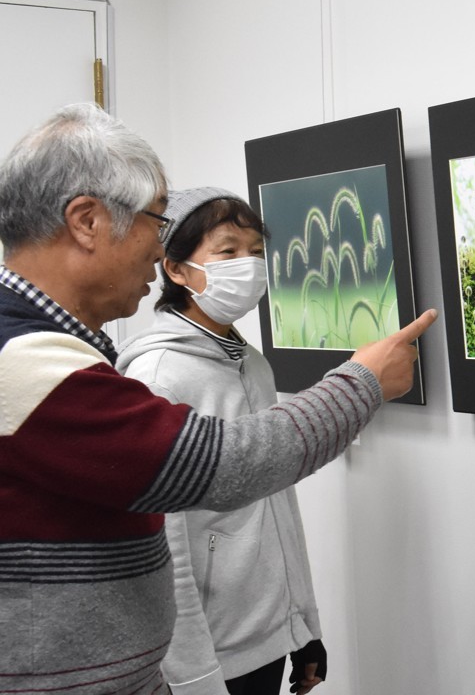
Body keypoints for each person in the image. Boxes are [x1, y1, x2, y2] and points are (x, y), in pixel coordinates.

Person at [0, 104, 436, 695]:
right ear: (87, 221)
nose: (157, 247)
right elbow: (221, 466)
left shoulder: (71, 353)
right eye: (155, 219)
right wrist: (362, 382)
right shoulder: (26, 361)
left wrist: (299, 624)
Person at [117, 189, 325, 695]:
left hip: (269, 636)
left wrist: (303, 627)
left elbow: (278, 501)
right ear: (176, 269)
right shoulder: (158, 376)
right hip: (210, 655)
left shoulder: (251, 362)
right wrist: (193, 675)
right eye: (228, 251)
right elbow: (161, 544)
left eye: (256, 251)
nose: (248, 265)